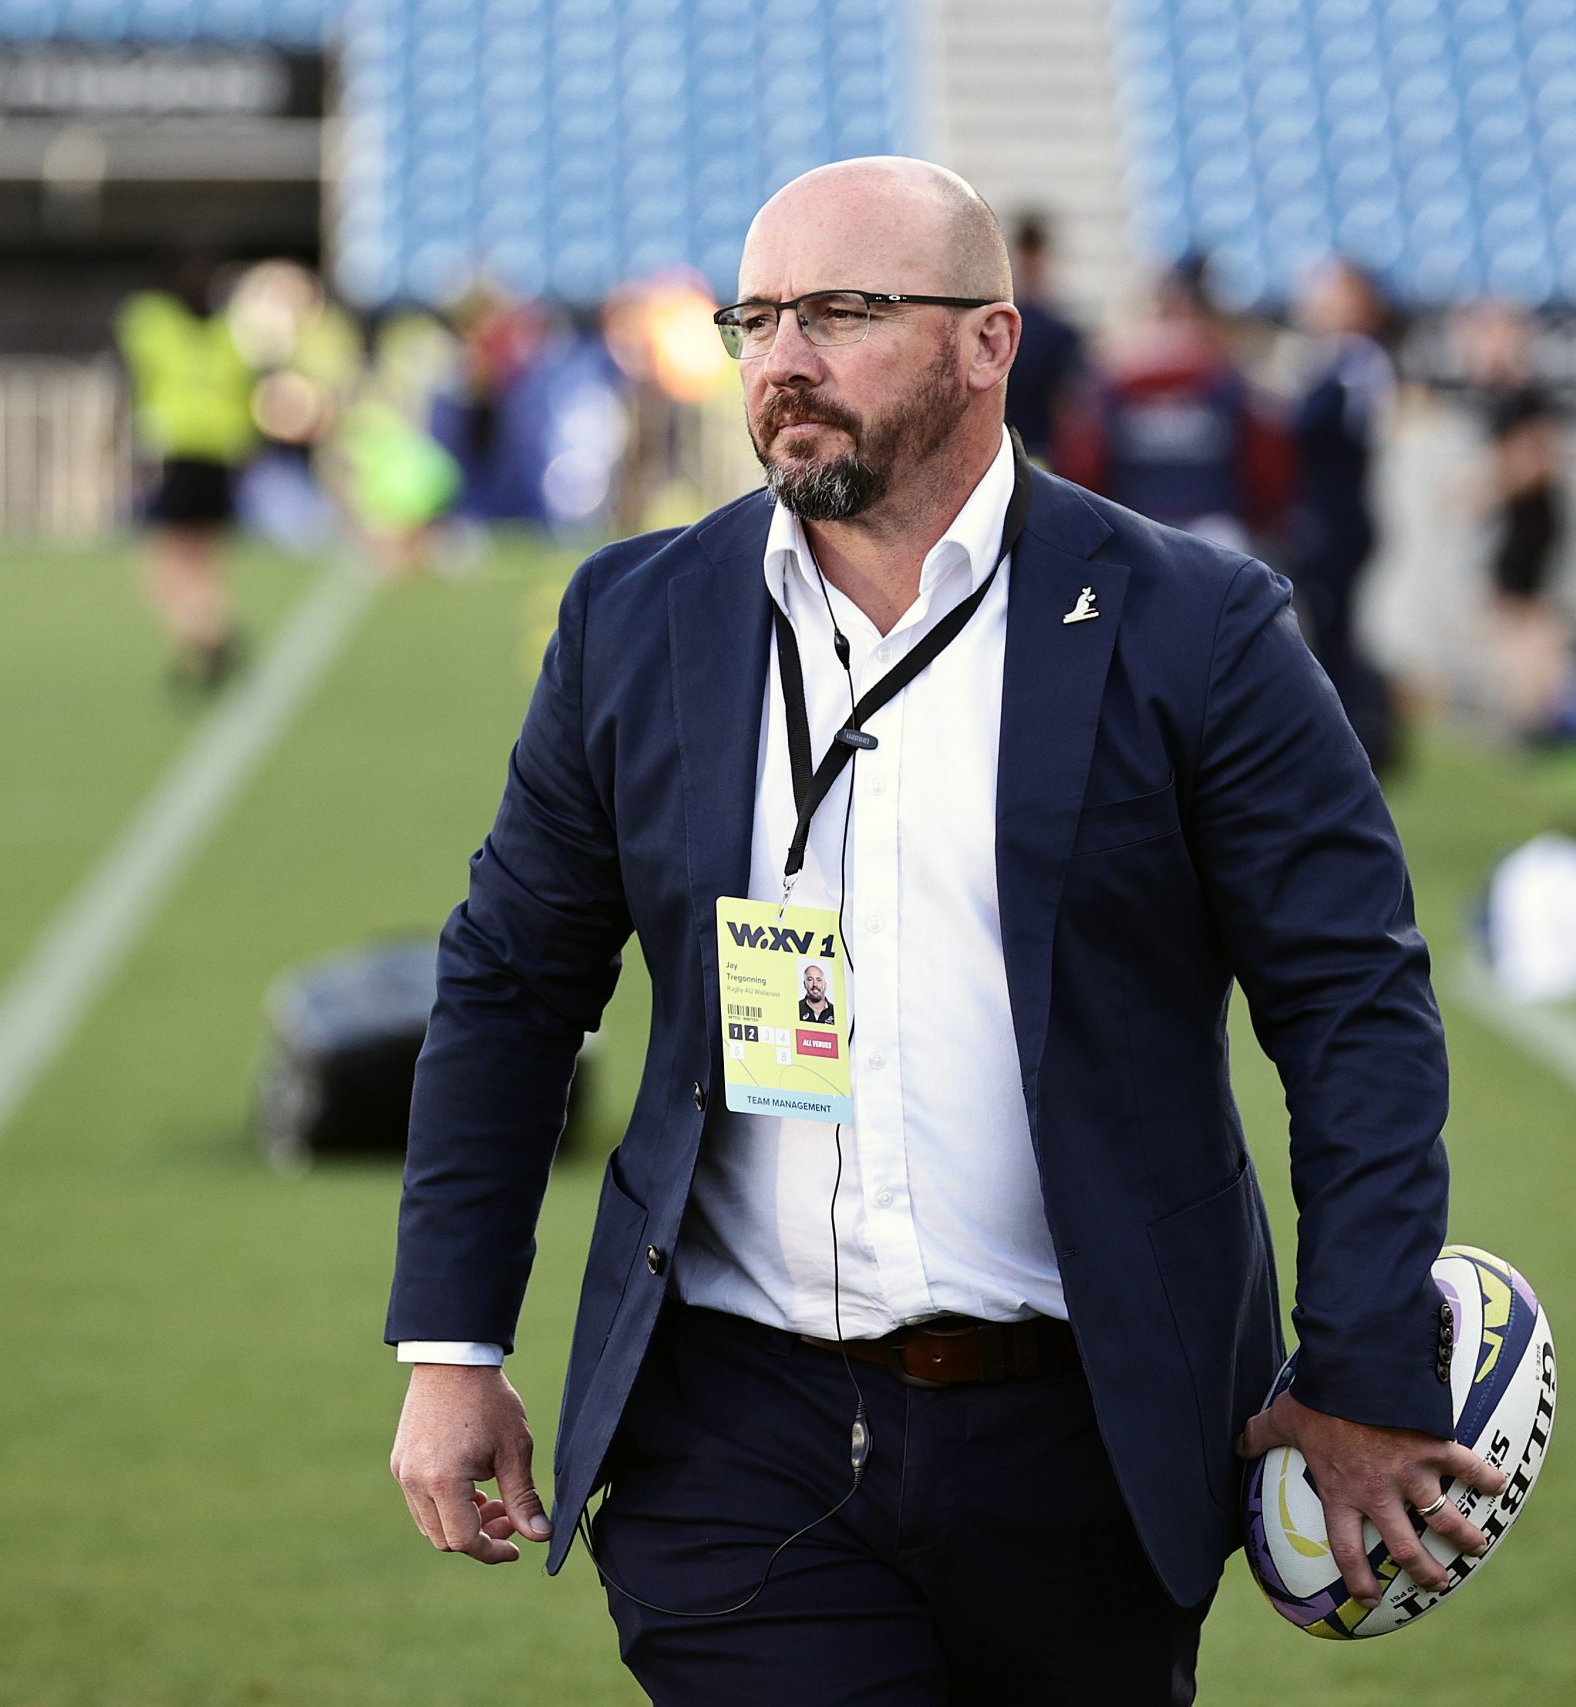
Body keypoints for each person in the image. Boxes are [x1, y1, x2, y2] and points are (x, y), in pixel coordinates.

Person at [386, 157, 1499, 1706]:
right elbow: (510, 988)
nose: (784, 359)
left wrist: (1368, 1362)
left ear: (992, 340)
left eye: (843, 311)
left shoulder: (1202, 630)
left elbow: (1352, 1007)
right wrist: (454, 1342)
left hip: (1092, 1432)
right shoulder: (635, 621)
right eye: (755, 318)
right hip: (739, 1429)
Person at [1055, 255, 1287, 552]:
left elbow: (1083, 466)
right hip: (1175, 524)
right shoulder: (1224, 374)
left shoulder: (1223, 378)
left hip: (1169, 522)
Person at [116, 256, 259, 688]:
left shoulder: (154, 327)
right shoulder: (229, 337)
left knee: (163, 562)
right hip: (220, 456)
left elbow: (133, 383)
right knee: (204, 557)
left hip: (176, 452)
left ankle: (203, 632)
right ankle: (206, 634)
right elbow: (245, 395)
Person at [1285, 258, 1401, 775]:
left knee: (1336, 629)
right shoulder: (1332, 358)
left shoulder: (1358, 360)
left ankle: (1354, 742)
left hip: (1339, 514)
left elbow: (1333, 428)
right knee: (1328, 627)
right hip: (1326, 512)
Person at [1460, 302, 1569, 731]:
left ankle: (1536, 714)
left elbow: (1539, 457)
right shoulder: (1500, 398)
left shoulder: (1523, 397)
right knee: (1511, 616)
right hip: (1518, 524)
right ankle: (1531, 710)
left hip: (1529, 524)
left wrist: (1487, 490)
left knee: (1524, 620)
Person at [1001, 211, 1087, 462]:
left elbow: (1068, 406)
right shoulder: (1059, 332)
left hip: (1037, 454)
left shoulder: (1061, 333)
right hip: (1010, 453)